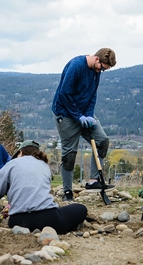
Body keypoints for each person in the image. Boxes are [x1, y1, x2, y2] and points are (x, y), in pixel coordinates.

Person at [0, 140, 88, 233]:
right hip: (49, 220)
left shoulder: (11, 164)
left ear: (20, 152)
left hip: (18, 221)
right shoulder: (44, 166)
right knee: (80, 208)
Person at [51, 48, 117, 201]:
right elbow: (64, 94)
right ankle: (67, 193)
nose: (102, 71)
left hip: (83, 114)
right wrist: (78, 116)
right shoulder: (76, 66)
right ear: (97, 59)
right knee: (69, 155)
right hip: (65, 114)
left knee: (102, 141)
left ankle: (94, 181)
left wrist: (88, 115)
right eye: (102, 67)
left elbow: (92, 94)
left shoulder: (96, 72)